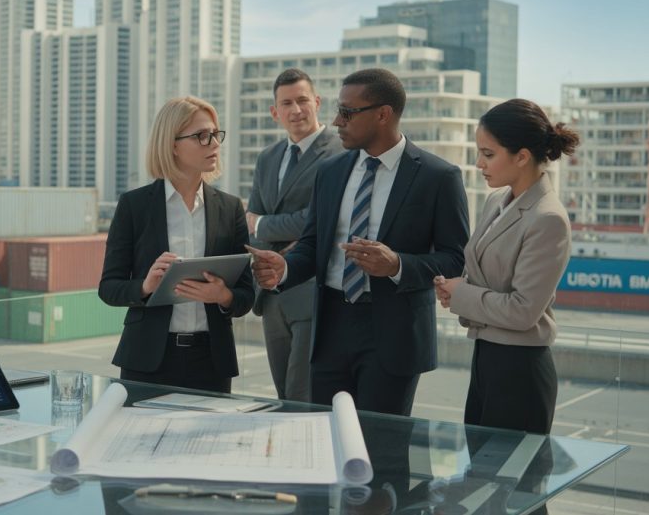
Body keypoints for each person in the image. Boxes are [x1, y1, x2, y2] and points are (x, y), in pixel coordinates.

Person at [248, 68, 469, 415]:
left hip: (393, 333)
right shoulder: (331, 172)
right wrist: (285, 267)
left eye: (348, 113)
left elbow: (455, 259)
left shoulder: (438, 177)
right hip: (330, 326)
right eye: (338, 110)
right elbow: (311, 245)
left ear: (383, 114)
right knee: (324, 443)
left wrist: (397, 265)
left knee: (382, 451)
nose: (337, 121)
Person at [434, 98, 579, 435]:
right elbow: (486, 281)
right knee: (480, 476)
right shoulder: (496, 201)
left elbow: (523, 311)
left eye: (488, 154)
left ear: (522, 156)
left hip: (520, 372)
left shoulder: (548, 218)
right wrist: (456, 292)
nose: (478, 163)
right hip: (486, 359)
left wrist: (463, 294)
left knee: (510, 483)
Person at [98, 96, 254, 394]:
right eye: (201, 136)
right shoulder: (134, 206)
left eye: (215, 134)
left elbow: (247, 295)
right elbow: (109, 288)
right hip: (147, 362)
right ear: (172, 144)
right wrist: (146, 286)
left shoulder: (231, 208)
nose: (214, 144)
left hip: (212, 362)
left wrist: (223, 296)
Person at [246, 68, 343, 402]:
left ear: (317, 102)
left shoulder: (339, 153)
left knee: (304, 398)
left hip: (312, 293)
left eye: (303, 100)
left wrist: (263, 225)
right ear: (275, 112)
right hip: (271, 296)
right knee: (283, 394)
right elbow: (250, 220)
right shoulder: (267, 158)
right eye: (286, 103)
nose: (296, 110)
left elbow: (316, 219)